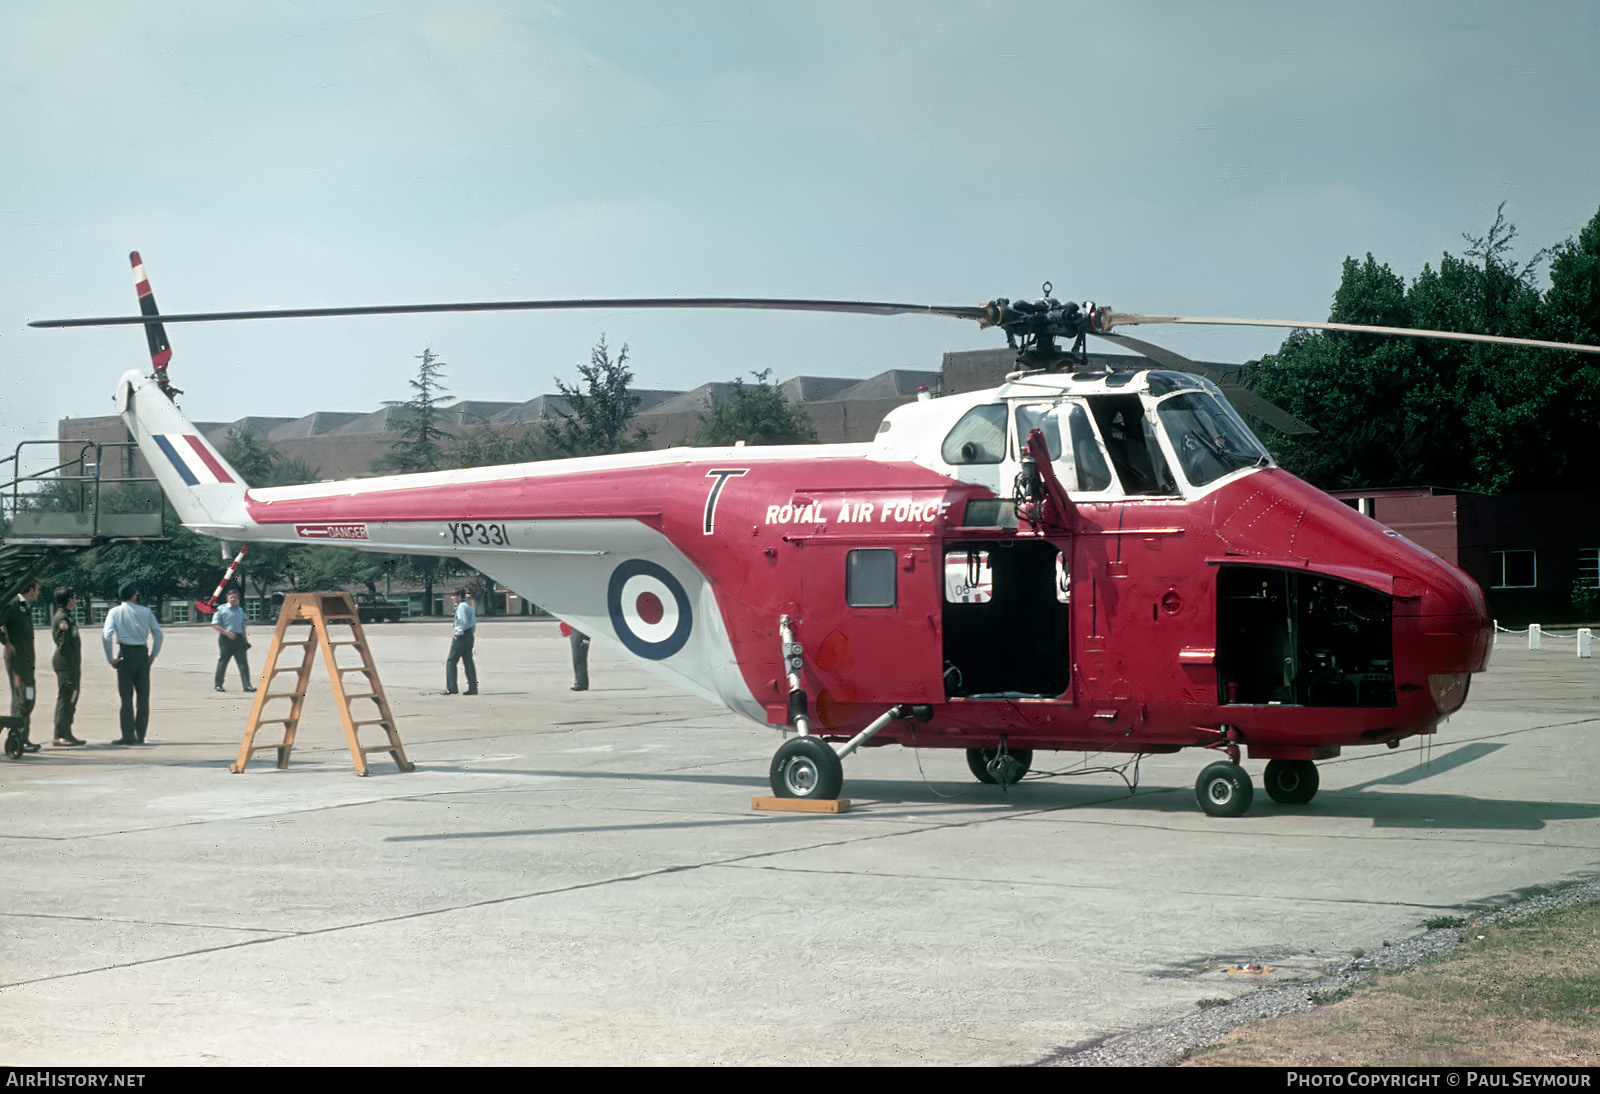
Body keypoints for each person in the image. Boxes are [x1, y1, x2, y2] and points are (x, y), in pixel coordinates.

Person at [102, 580, 163, 745]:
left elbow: (107, 635)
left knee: (126, 698)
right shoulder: (146, 612)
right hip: (142, 654)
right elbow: (158, 635)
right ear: (134, 595)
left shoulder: (114, 612)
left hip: (125, 654)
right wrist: (153, 655)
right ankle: (140, 735)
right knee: (143, 698)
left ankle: (128, 736)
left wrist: (111, 659)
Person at [1, 578, 42, 753]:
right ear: (31, 589)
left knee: (28, 696)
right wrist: (6, 643)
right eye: (37, 589)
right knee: (22, 697)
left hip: (26, 663)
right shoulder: (14, 606)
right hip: (17, 663)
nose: (38, 593)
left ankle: (21, 736)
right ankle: (18, 737)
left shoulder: (24, 607)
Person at [50, 587, 85, 747]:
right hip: (66, 665)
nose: (75, 600)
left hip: (72, 665)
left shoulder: (68, 617)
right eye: (74, 597)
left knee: (72, 698)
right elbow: (63, 643)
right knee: (65, 698)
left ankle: (67, 732)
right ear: (68, 599)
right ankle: (59, 735)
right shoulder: (62, 618)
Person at [211, 586, 256, 693]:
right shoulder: (221, 609)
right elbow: (215, 624)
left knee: (243, 663)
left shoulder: (240, 610)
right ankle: (218, 685)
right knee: (223, 662)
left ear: (238, 598)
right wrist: (226, 633)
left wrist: (245, 641)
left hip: (239, 639)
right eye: (231, 597)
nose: (233, 599)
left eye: (235, 598)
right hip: (226, 638)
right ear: (227, 598)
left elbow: (243, 627)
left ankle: (247, 686)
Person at [442, 587, 477, 695]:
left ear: (459, 596)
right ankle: (473, 688)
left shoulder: (461, 607)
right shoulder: (468, 606)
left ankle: (452, 688)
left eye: (454, 595)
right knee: (468, 662)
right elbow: (472, 623)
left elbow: (463, 621)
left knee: (451, 661)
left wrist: (458, 633)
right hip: (469, 636)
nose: (452, 598)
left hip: (462, 636)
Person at [559, 621, 590, 691]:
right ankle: (581, 682)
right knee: (579, 658)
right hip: (578, 628)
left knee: (578, 657)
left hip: (579, 629)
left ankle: (580, 683)